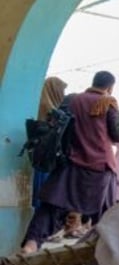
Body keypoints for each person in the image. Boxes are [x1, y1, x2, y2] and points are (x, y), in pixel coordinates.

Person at [21, 71, 119, 253]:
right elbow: (116, 135)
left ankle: (30, 245)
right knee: (105, 215)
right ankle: (104, 256)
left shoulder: (71, 100)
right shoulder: (108, 103)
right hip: (100, 167)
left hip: (70, 164)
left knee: (50, 208)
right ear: (110, 87)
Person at [30, 76, 68, 208]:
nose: (63, 95)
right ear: (55, 90)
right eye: (61, 90)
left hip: (37, 156)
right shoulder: (53, 112)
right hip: (45, 157)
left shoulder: (37, 103)